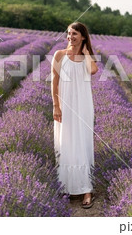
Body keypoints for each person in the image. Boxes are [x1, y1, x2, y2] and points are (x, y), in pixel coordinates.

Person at [51, 22, 98, 209]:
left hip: (84, 106)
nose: (70, 37)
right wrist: (56, 106)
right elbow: (54, 83)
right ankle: (67, 186)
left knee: (83, 144)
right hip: (65, 106)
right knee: (66, 143)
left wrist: (86, 53)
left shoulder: (87, 58)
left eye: (75, 34)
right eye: (69, 33)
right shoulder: (59, 55)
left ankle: (87, 189)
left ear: (83, 37)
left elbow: (93, 70)